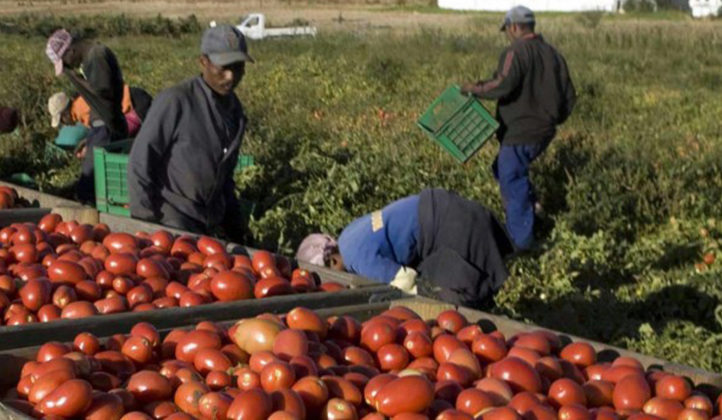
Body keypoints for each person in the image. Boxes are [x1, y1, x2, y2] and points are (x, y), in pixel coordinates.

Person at [462, 6, 576, 251]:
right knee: (502, 169)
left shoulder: (516, 51)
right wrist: (551, 120)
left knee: (511, 179)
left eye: (507, 30)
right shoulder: (553, 54)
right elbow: (570, 96)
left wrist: (474, 88)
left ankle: (522, 245)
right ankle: (535, 209)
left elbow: (503, 84)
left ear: (513, 27)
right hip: (543, 131)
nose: (508, 35)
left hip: (521, 132)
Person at [128, 25, 252, 242]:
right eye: (223, 67)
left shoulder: (236, 113)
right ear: (203, 62)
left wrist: (237, 228)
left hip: (207, 221)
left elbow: (225, 179)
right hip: (171, 216)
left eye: (238, 67)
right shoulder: (176, 100)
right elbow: (140, 162)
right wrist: (144, 223)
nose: (231, 76)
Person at [297, 188, 515, 308]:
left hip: (448, 225)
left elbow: (406, 281)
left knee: (458, 299)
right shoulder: (347, 236)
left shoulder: (357, 259)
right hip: (441, 208)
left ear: (332, 261)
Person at [45, 29, 128, 204]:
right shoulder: (92, 57)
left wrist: (78, 80)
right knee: (95, 179)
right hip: (101, 125)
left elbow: (104, 91)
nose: (68, 66)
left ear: (71, 50)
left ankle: (90, 217)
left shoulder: (95, 56)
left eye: (65, 61)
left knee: (89, 184)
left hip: (105, 125)